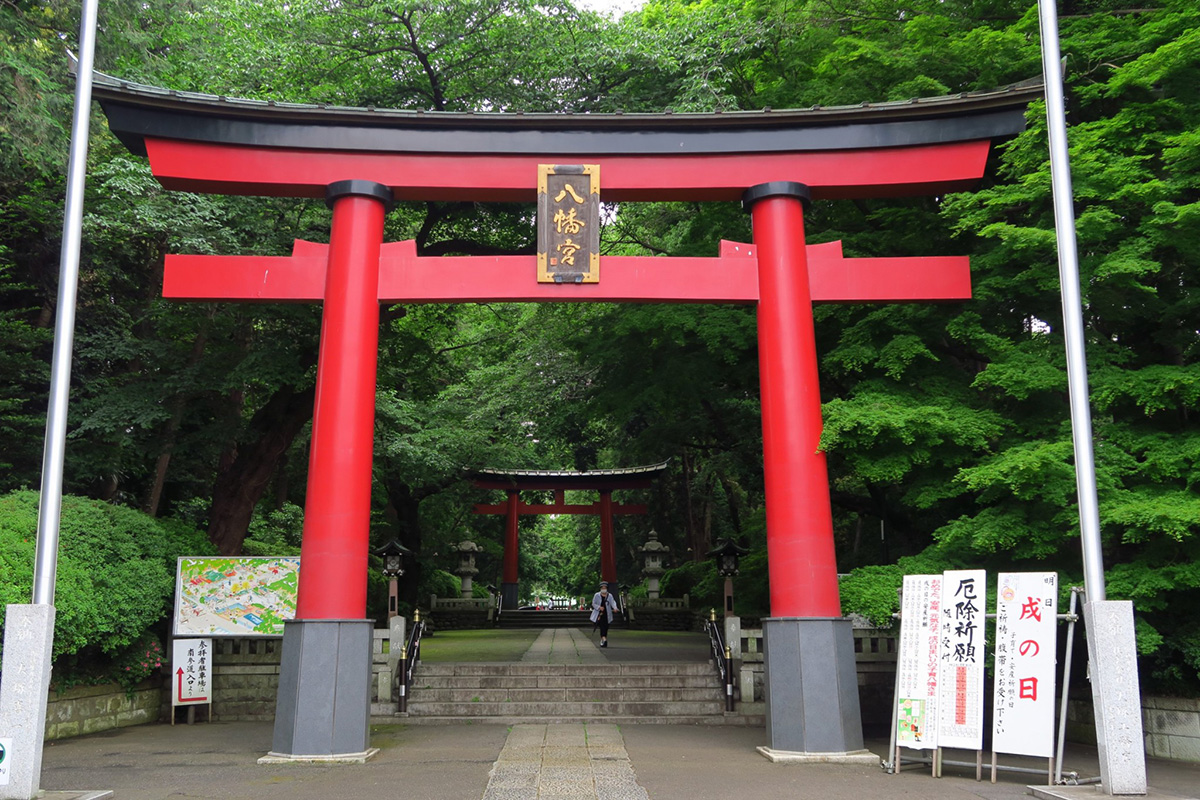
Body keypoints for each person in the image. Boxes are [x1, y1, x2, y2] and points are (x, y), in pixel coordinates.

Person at [590, 581, 619, 648]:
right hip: (599, 614)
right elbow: (593, 604)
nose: (603, 589)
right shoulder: (596, 595)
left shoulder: (610, 595)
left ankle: (603, 639)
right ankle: (604, 639)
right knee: (602, 626)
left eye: (605, 587)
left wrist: (615, 608)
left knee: (606, 627)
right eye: (602, 588)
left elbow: (613, 602)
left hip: (607, 613)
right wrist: (599, 607)